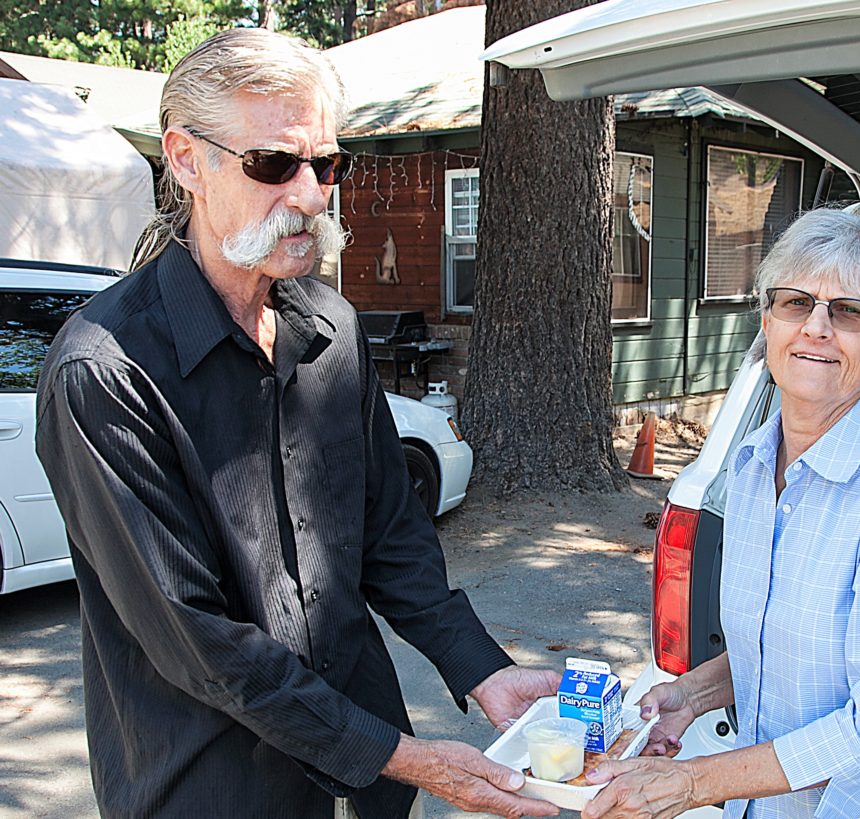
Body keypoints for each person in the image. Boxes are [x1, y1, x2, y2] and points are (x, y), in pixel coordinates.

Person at [35, 28, 560, 819]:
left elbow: (390, 533)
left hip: (371, 779)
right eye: (274, 164)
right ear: (186, 160)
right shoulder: (105, 371)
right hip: (213, 788)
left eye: (325, 164)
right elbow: (197, 639)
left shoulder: (333, 328)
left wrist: (482, 667)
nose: (312, 196)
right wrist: (409, 757)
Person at [581, 209, 860, 818]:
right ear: (768, 323)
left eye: (850, 311)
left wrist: (696, 783)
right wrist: (691, 695)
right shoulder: (751, 463)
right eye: (796, 303)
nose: (817, 328)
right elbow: (776, 646)